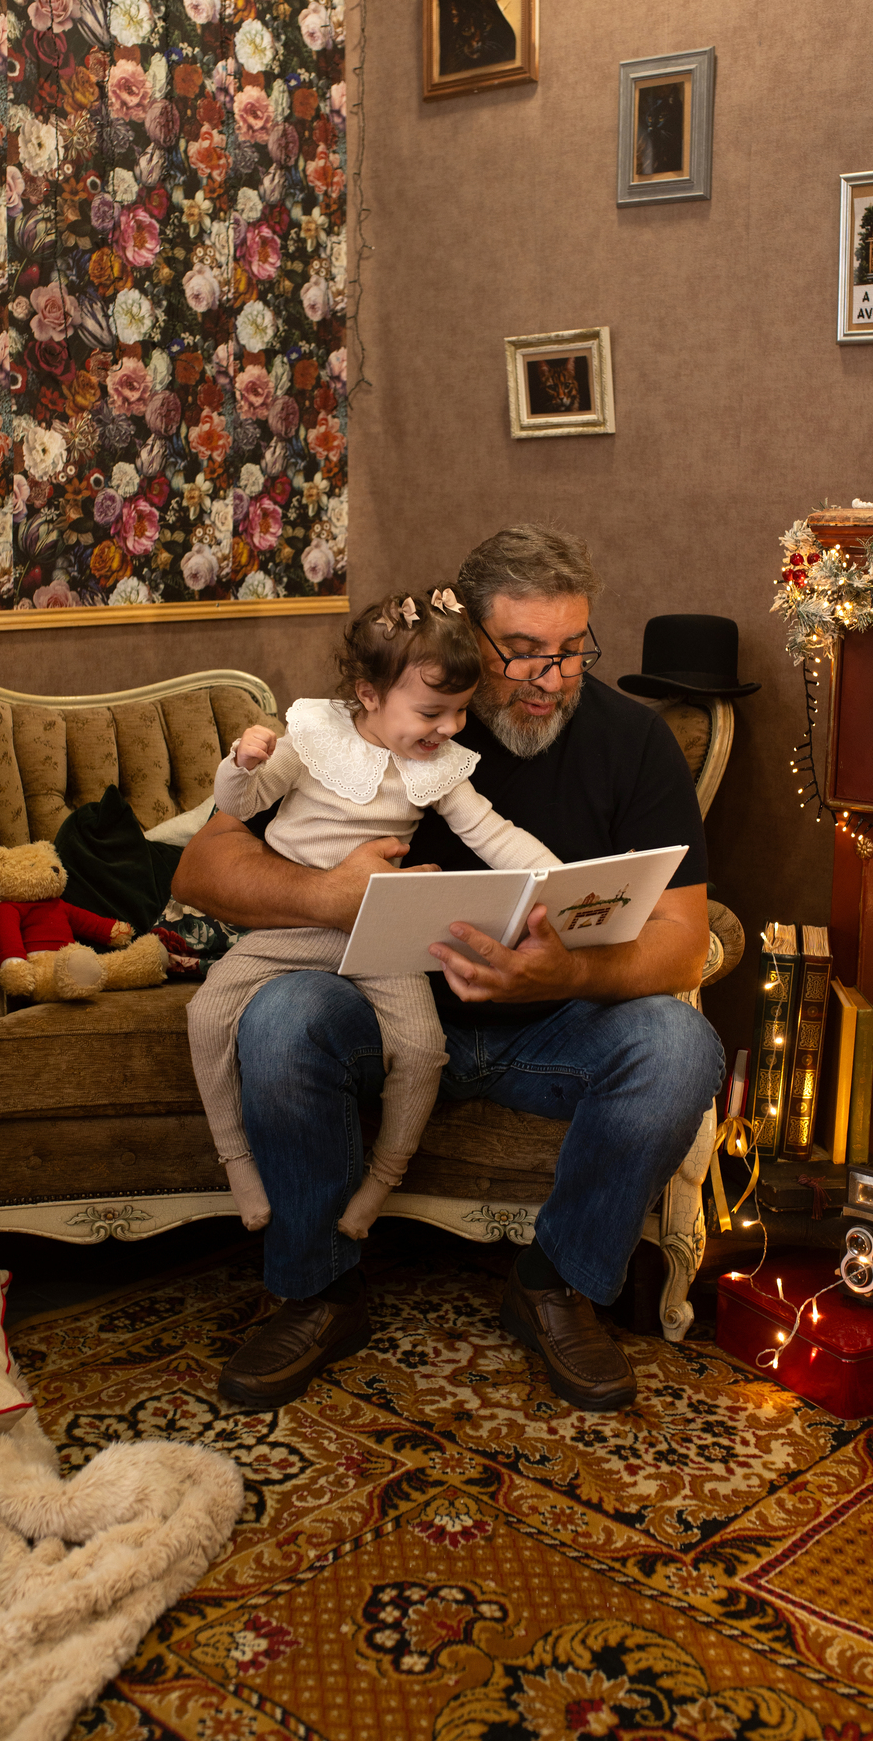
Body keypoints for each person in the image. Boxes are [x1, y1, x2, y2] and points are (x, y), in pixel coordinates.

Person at [172, 523, 724, 1414]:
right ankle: (316, 1290)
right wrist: (328, 895)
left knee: (680, 1046)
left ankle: (555, 1285)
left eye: (572, 650)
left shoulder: (634, 742)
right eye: (523, 651)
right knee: (280, 1020)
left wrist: (565, 976)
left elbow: (684, 939)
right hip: (373, 1004)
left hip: (552, 1028)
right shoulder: (384, 715)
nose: (553, 678)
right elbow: (200, 870)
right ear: (466, 634)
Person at [187, 585, 558, 1242]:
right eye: (432, 712)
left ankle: (383, 1178)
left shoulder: (438, 767)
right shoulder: (312, 735)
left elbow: (493, 834)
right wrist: (241, 765)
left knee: (422, 1049)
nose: (450, 728)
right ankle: (236, 1160)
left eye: (460, 712)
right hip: (293, 930)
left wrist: (557, 883)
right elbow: (242, 806)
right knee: (206, 1014)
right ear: (369, 695)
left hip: (380, 935)